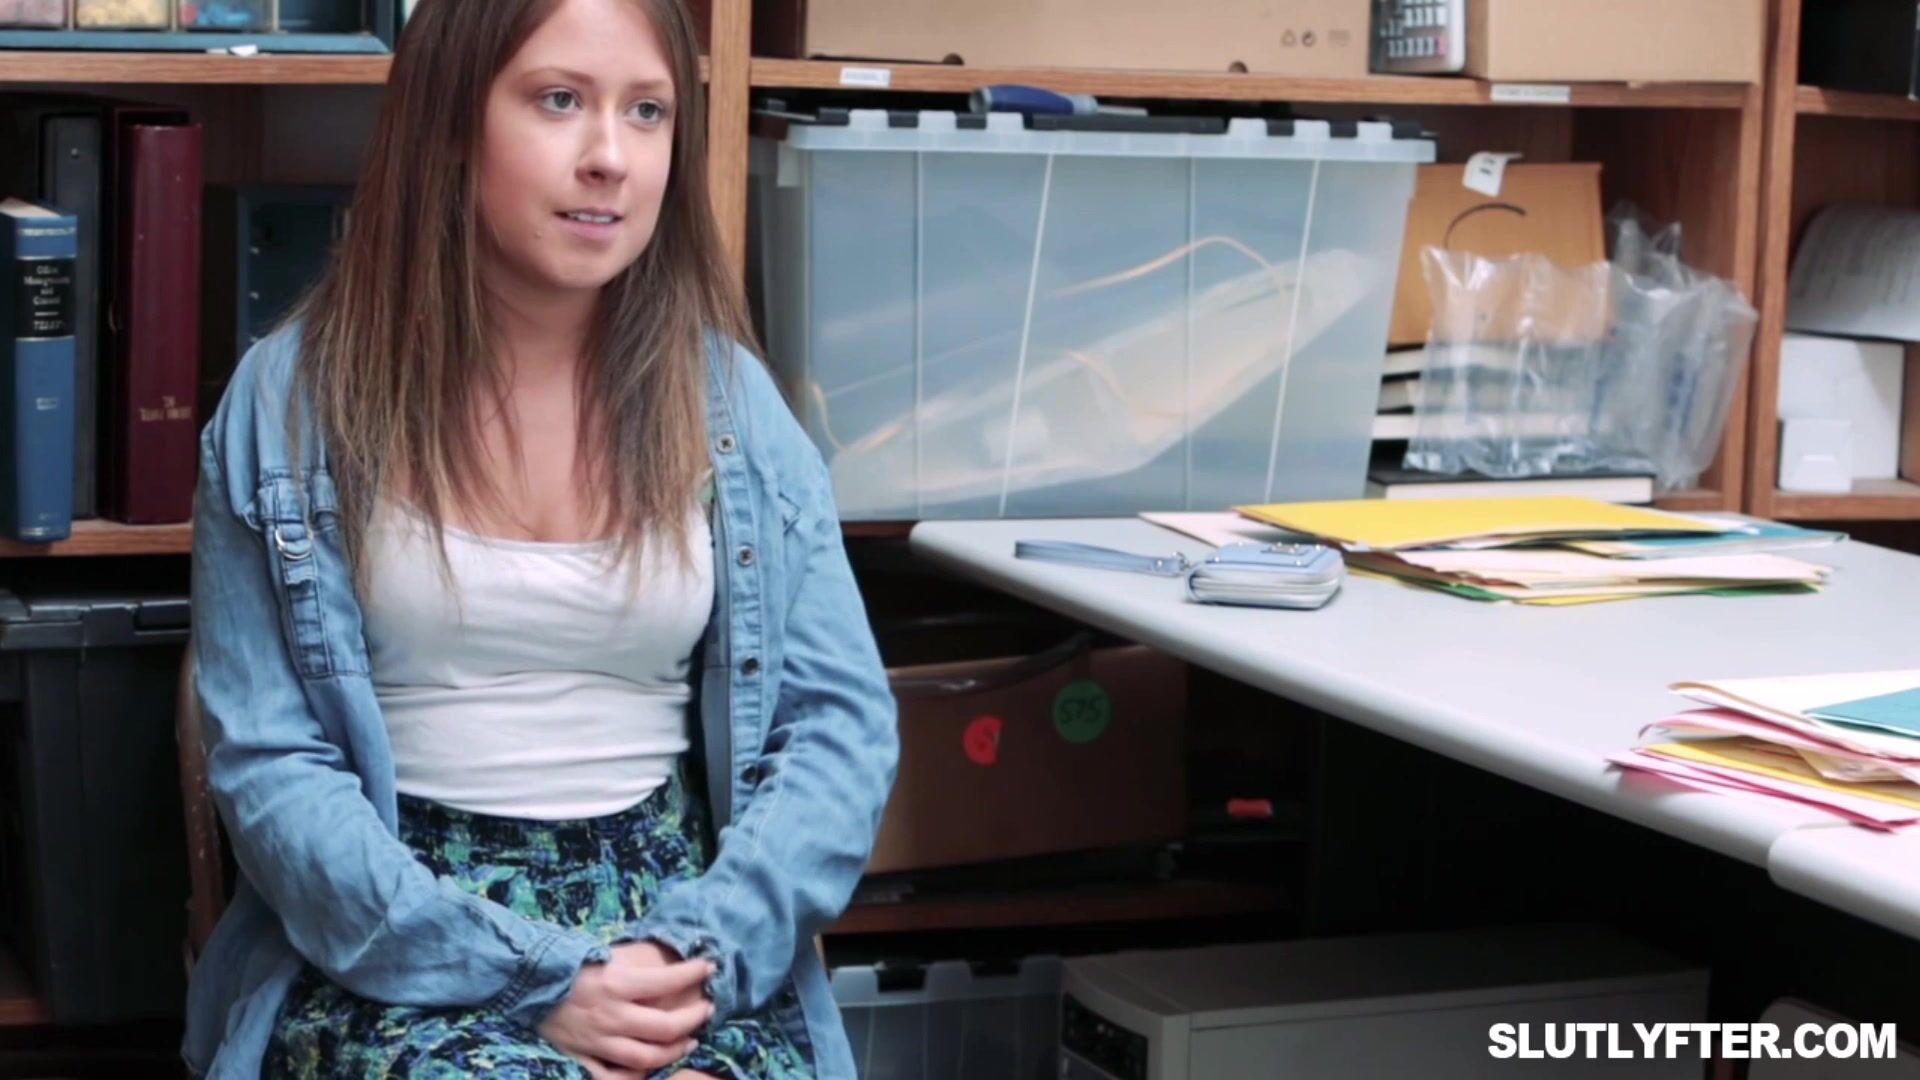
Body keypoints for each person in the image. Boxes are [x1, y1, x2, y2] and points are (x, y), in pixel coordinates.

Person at [182, 0, 899, 1076]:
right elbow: (273, 767)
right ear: (450, 124)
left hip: (682, 929)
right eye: (560, 100)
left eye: (648, 111)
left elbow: (840, 727)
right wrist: (532, 977)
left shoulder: (733, 405)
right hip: (398, 937)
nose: (611, 156)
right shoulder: (291, 403)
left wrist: (690, 952)